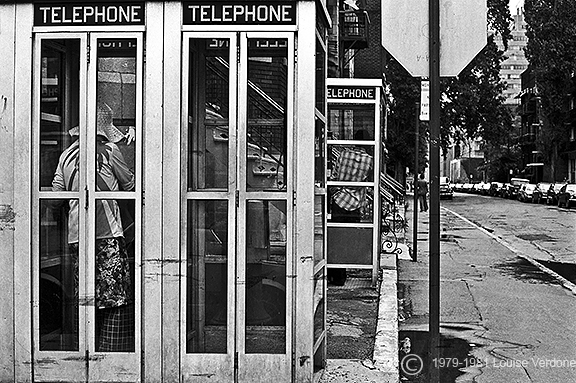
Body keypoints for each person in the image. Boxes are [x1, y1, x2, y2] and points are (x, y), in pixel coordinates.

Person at [52, 103, 135, 352]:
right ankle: (110, 354)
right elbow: (130, 186)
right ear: (104, 132)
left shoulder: (66, 155)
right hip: (108, 235)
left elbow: (57, 194)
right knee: (114, 298)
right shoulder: (109, 151)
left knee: (86, 297)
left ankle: (84, 350)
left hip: (78, 236)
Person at [328, 129, 373, 285]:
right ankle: (343, 275)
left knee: (336, 238)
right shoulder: (369, 160)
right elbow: (370, 182)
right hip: (355, 204)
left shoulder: (343, 154)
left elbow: (333, 177)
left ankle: (335, 274)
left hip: (339, 201)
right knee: (349, 239)